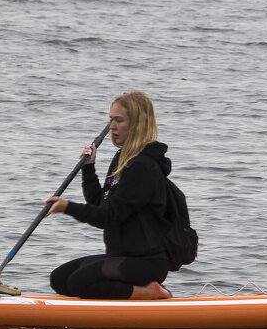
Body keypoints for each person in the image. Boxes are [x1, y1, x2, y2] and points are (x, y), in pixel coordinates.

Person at [45, 90, 174, 300]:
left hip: (146, 262)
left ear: (137, 124)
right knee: (59, 279)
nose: (112, 127)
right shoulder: (123, 158)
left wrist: (68, 207)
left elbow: (108, 217)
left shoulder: (143, 167)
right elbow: (99, 204)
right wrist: (89, 167)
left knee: (79, 282)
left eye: (119, 120)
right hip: (121, 256)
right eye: (110, 120)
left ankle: (147, 292)